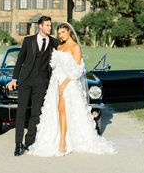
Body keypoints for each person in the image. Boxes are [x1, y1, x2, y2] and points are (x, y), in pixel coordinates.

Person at [28, 22, 116, 156]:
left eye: (63, 32)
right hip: (56, 82)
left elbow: (79, 69)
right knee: (57, 110)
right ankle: (59, 137)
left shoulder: (76, 47)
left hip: (69, 83)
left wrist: (65, 83)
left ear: (69, 31)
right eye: (59, 33)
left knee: (62, 109)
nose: (61, 35)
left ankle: (63, 141)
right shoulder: (59, 46)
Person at [6, 16, 58, 156]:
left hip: (42, 82)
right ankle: (18, 144)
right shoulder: (28, 40)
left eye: (50, 25)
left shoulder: (54, 42)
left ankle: (29, 142)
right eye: (47, 25)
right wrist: (14, 79)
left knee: (36, 113)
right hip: (25, 81)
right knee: (21, 112)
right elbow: (20, 60)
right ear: (40, 26)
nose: (50, 28)